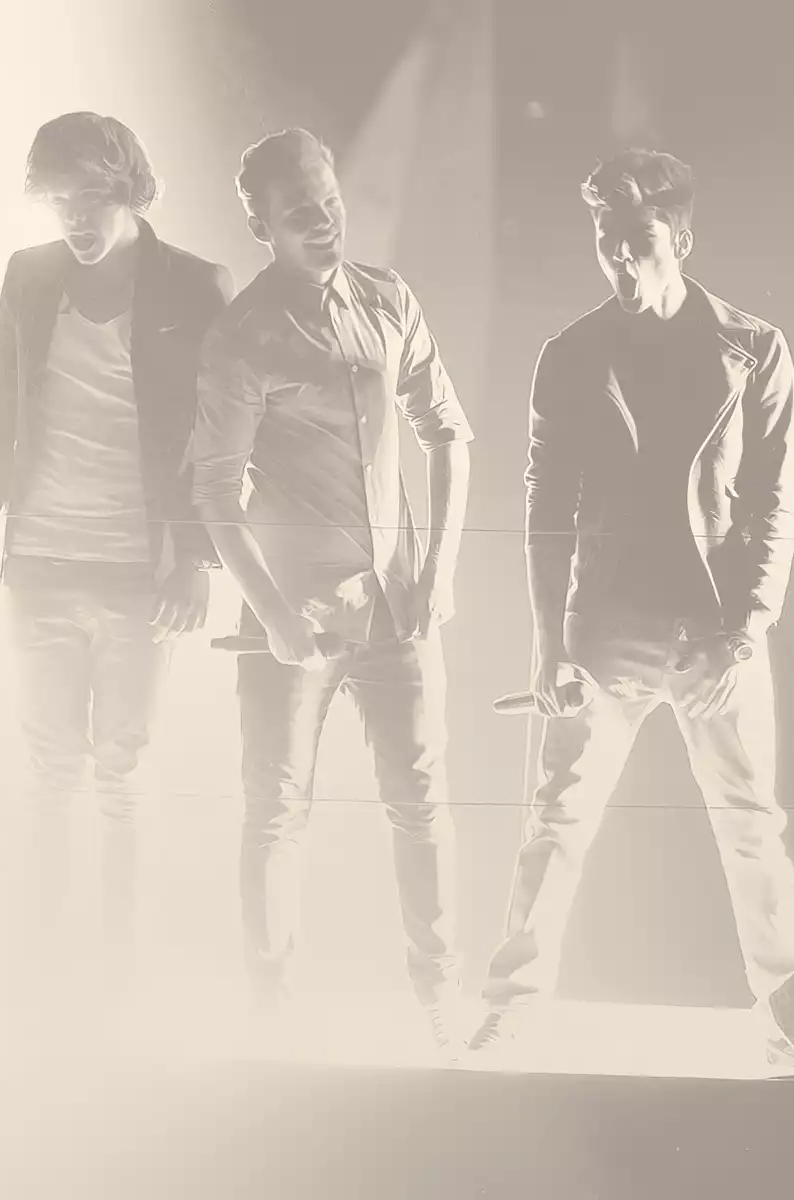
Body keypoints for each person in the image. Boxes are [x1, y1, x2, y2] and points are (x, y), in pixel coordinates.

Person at [470, 149, 794, 1064]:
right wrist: (549, 645)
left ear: (681, 239)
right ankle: (512, 1008)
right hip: (607, 626)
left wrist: (743, 636)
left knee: (752, 829)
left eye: (639, 238)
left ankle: (793, 1023)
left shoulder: (755, 348)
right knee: (557, 824)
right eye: (606, 238)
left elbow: (776, 499)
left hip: (716, 630)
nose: (621, 255)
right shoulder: (572, 355)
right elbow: (544, 505)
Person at [188, 129, 473, 1058]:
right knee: (277, 810)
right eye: (300, 212)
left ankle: (442, 995)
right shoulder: (241, 339)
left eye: (330, 201)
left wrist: (441, 569)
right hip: (294, 618)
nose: (324, 222)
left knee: (421, 802)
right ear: (261, 226)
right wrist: (274, 618)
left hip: (399, 607)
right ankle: (270, 1013)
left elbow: (449, 432)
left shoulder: (390, 300)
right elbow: (212, 493)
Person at [0, 112, 231, 994]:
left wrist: (198, 557)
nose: (73, 216)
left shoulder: (195, 285)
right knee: (49, 771)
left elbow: (222, 432)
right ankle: (41, 972)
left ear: (129, 191)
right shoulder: (28, 275)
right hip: (39, 560)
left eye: (90, 197)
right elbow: (0, 401)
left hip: (142, 570)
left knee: (125, 771)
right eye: (57, 198)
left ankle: (120, 975)